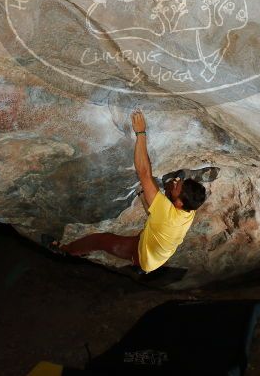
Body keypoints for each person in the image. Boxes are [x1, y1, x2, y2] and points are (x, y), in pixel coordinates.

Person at [58, 109, 207, 272]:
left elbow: (144, 173)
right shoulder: (189, 210)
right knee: (157, 201)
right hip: (158, 249)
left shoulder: (168, 216)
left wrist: (141, 132)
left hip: (144, 256)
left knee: (101, 240)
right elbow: (157, 211)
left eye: (177, 186)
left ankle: (65, 250)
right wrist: (151, 194)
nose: (176, 181)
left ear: (178, 203)